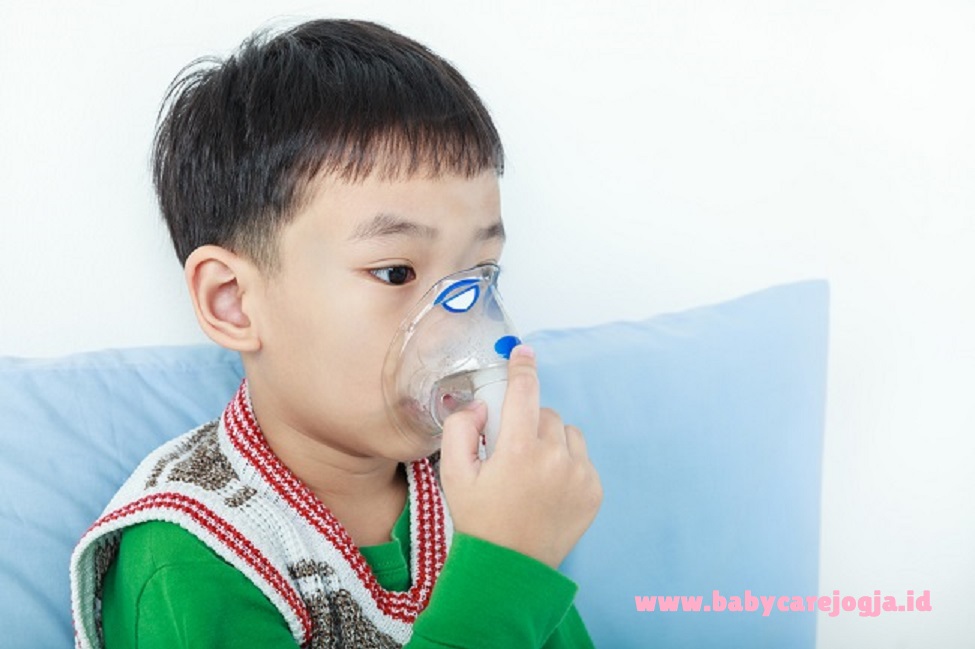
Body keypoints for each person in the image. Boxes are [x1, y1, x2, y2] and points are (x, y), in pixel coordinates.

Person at [70, 18, 602, 649]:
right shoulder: (189, 557)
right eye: (397, 271)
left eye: (479, 276)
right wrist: (506, 570)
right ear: (234, 301)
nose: (462, 323)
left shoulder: (477, 493)